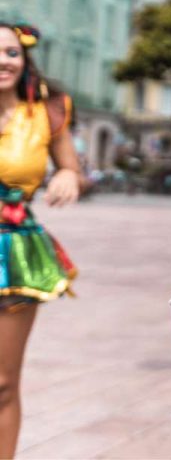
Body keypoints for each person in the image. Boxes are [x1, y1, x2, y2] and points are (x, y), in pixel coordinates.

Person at [0, 23, 80, 457]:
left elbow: (69, 166)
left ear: (24, 59)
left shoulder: (45, 113)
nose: (2, 61)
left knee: (2, 383)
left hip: (13, 249)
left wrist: (67, 176)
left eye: (11, 53)